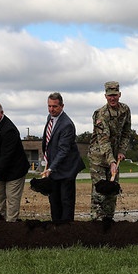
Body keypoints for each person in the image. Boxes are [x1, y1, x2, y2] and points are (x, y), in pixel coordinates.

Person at [88, 81, 132, 221]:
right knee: (100, 192)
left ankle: (108, 221)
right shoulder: (101, 114)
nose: (112, 98)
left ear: (119, 95)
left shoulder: (125, 110)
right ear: (105, 96)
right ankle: (96, 222)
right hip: (99, 158)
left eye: (115, 95)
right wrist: (111, 160)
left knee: (112, 191)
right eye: (109, 96)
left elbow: (126, 132)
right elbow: (103, 140)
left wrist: (122, 150)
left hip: (114, 157)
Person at [41, 92, 84, 221]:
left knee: (66, 201)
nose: (51, 109)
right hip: (54, 168)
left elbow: (63, 150)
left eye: (54, 106)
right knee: (54, 200)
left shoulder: (67, 125)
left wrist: (51, 168)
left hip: (67, 169)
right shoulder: (50, 118)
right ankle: (56, 227)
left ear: (62, 106)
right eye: (49, 106)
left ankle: (66, 230)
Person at [0, 101, 30, 222]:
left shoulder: (9, 130)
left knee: (12, 201)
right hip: (0, 169)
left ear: (1, 113)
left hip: (15, 171)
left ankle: (11, 228)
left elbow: (6, 156)